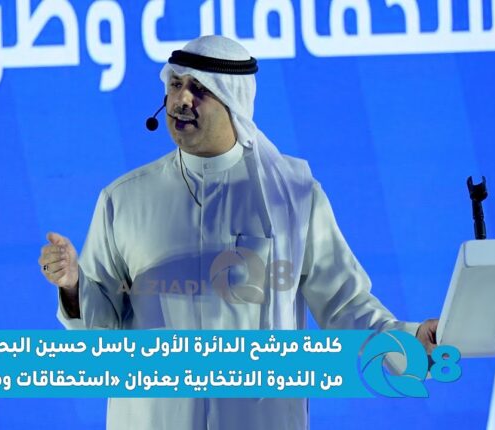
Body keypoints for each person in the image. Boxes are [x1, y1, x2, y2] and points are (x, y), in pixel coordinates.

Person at [38, 35, 438, 430]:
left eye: (199, 89)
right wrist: (73, 285)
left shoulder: (292, 196)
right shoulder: (124, 199)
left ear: (234, 100)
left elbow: (344, 303)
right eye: (175, 84)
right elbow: (101, 331)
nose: (181, 100)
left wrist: (408, 340)